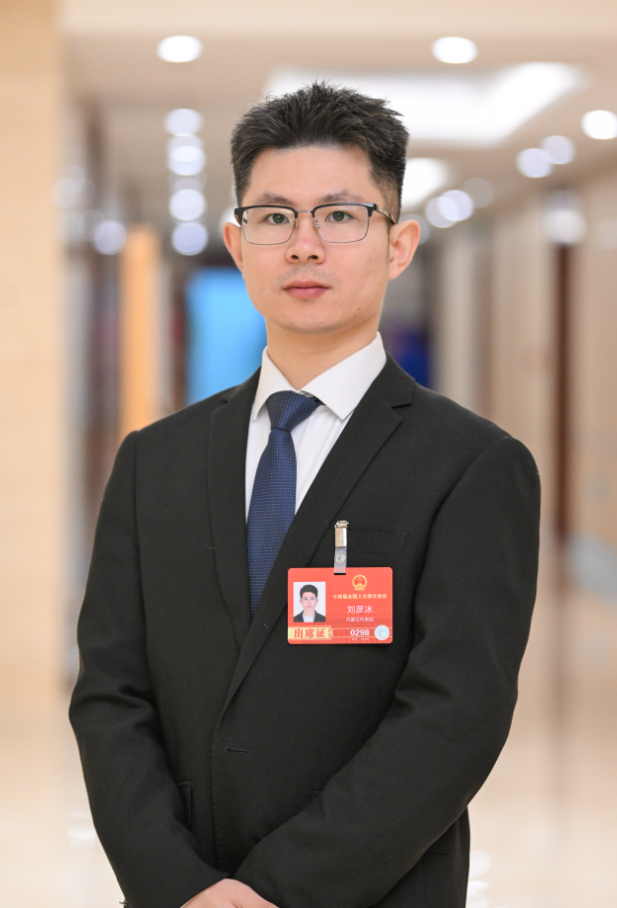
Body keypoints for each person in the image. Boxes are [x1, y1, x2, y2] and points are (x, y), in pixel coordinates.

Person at [70, 83, 540, 908]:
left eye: (341, 215)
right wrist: (177, 884)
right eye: (274, 217)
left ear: (398, 245)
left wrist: (275, 892)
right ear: (237, 242)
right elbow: (112, 694)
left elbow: (454, 715)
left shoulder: (471, 466)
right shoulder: (154, 461)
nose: (304, 246)